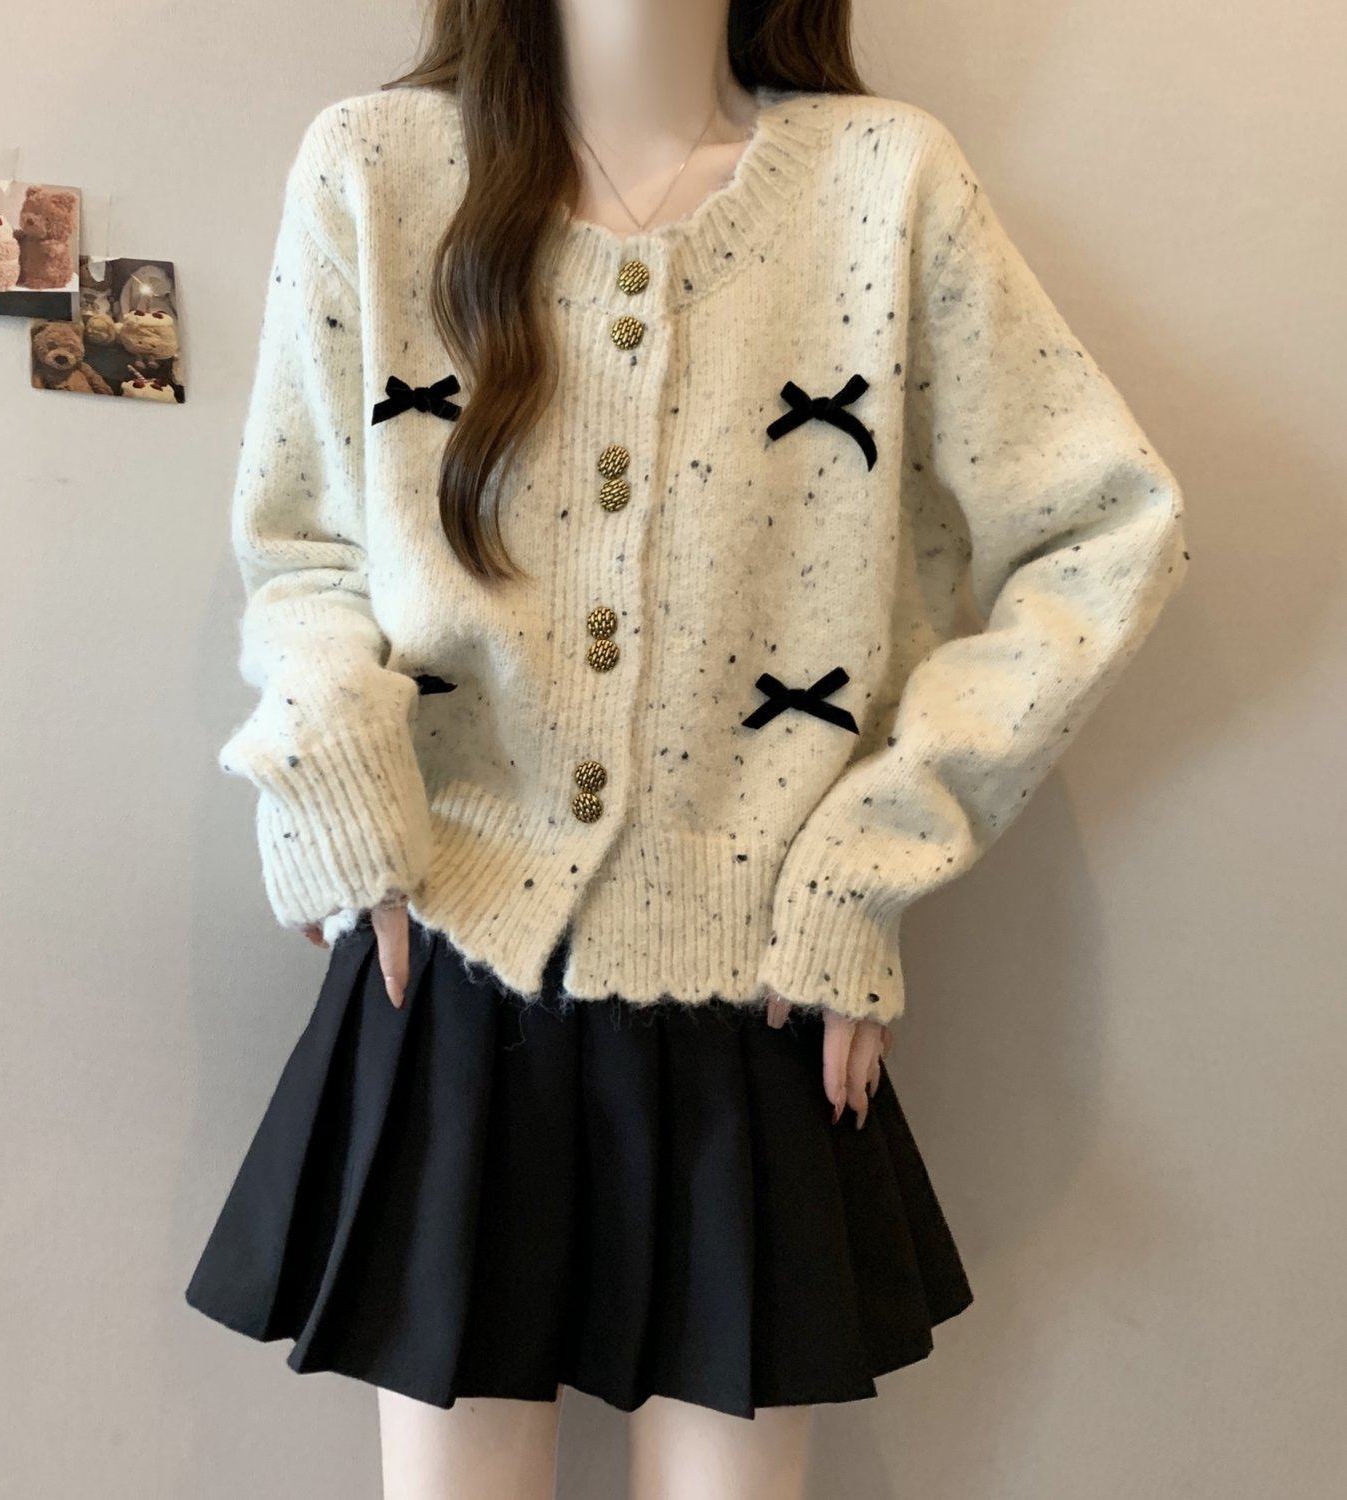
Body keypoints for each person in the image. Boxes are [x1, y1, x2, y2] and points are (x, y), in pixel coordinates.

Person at [186, 1, 1190, 1494]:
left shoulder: (885, 182)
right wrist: (339, 791)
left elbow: (1108, 533)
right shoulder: (376, 169)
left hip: (763, 984)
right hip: (445, 965)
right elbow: (307, 543)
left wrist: (870, 858)